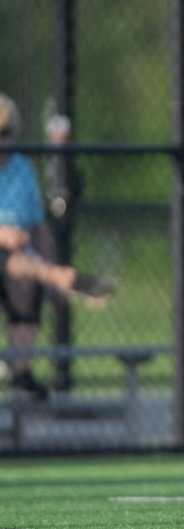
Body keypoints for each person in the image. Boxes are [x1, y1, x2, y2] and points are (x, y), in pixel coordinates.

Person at [0, 93, 114, 401]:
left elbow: (37, 227)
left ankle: (21, 374)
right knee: (17, 258)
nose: (3, 142)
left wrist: (45, 264)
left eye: (7, 134)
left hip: (19, 259)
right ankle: (66, 278)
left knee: (25, 275)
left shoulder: (22, 168)